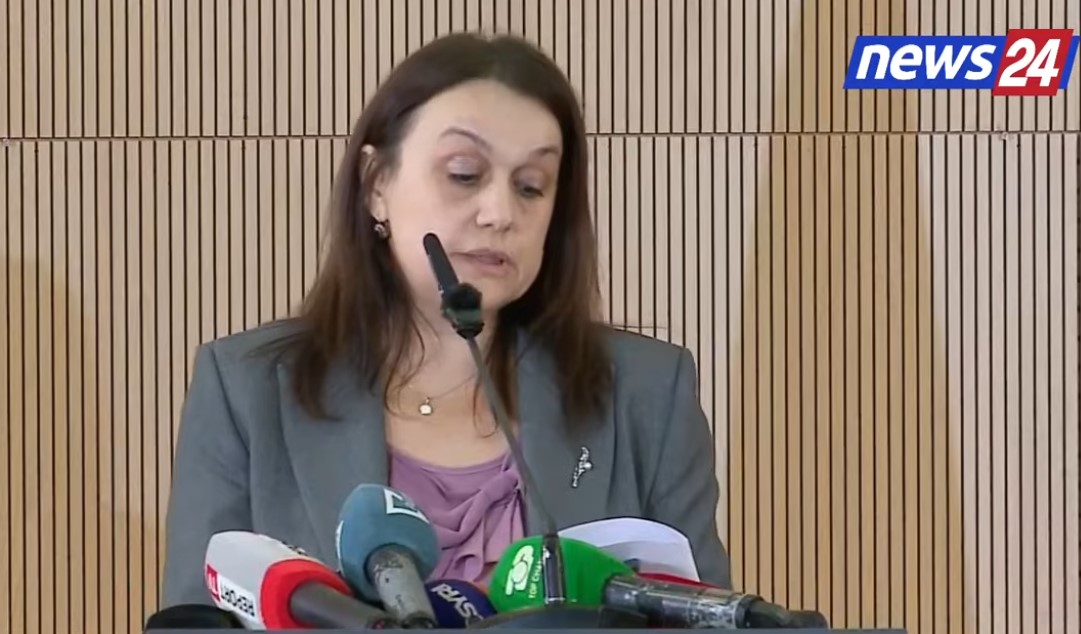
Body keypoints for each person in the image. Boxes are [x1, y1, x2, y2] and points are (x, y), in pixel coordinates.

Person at [160, 31, 732, 608]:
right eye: (464, 173)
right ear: (376, 184)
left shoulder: (645, 393)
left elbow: (708, 615)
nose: (500, 213)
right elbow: (196, 617)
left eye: (531, 187)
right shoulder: (247, 391)